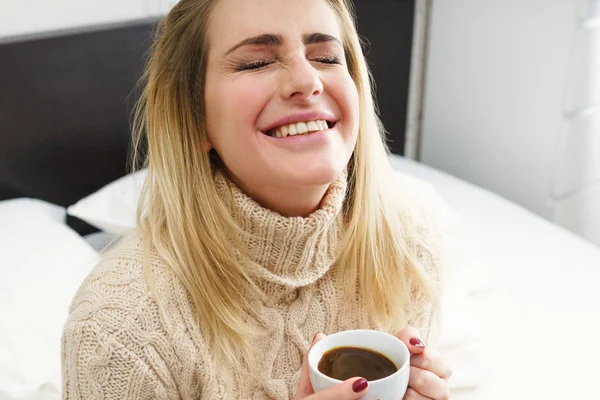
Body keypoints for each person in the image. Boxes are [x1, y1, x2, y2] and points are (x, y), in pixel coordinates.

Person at [61, 0, 454, 398]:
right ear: (194, 117)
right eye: (256, 63)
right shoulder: (119, 328)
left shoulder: (409, 244)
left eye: (327, 57)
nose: (308, 80)